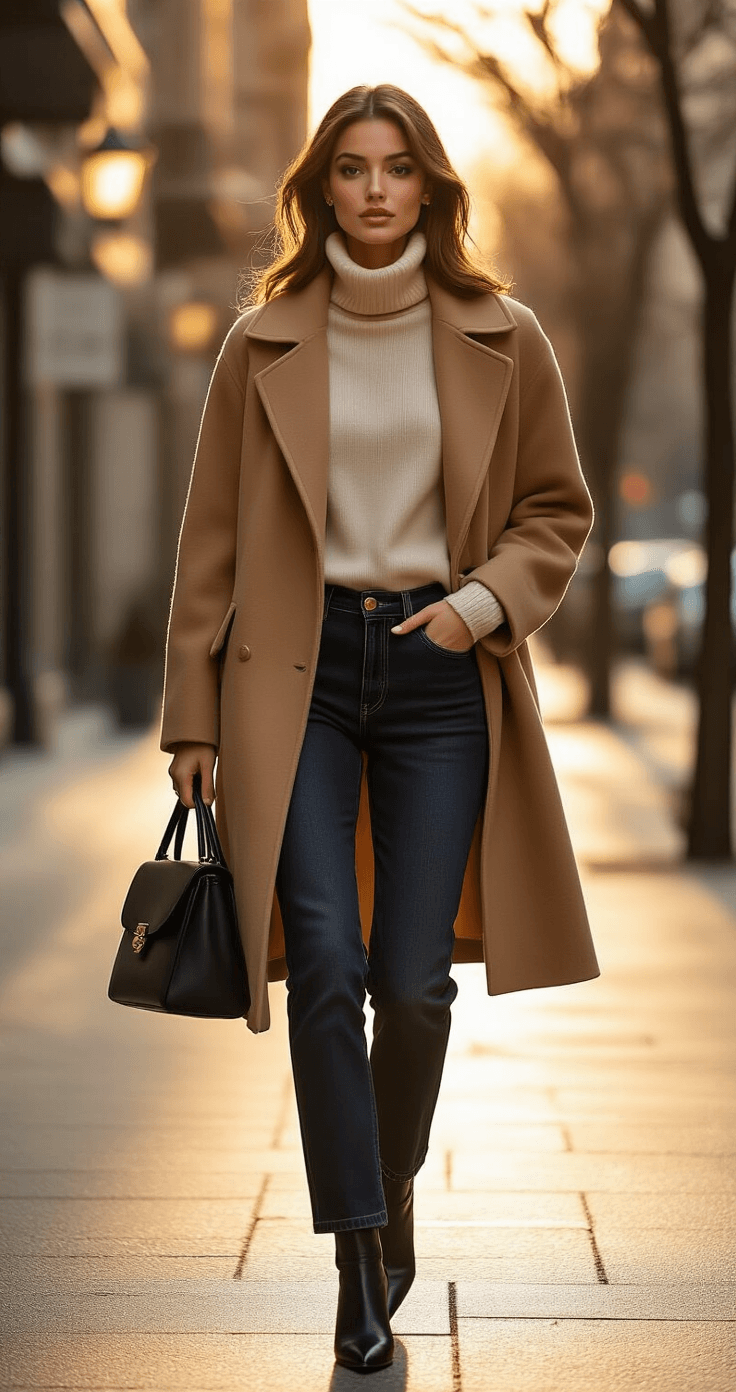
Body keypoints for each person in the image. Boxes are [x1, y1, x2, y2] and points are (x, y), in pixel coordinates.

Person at [161, 84, 599, 1373]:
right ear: (318, 189)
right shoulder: (262, 344)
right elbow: (212, 545)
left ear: (431, 189)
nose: (372, 190)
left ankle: (389, 1183)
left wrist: (477, 608)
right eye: (348, 169)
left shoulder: (502, 335)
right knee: (325, 975)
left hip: (435, 671)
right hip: (289, 684)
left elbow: (555, 514)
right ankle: (360, 1255)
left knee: (410, 988)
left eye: (396, 169)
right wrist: (192, 713)